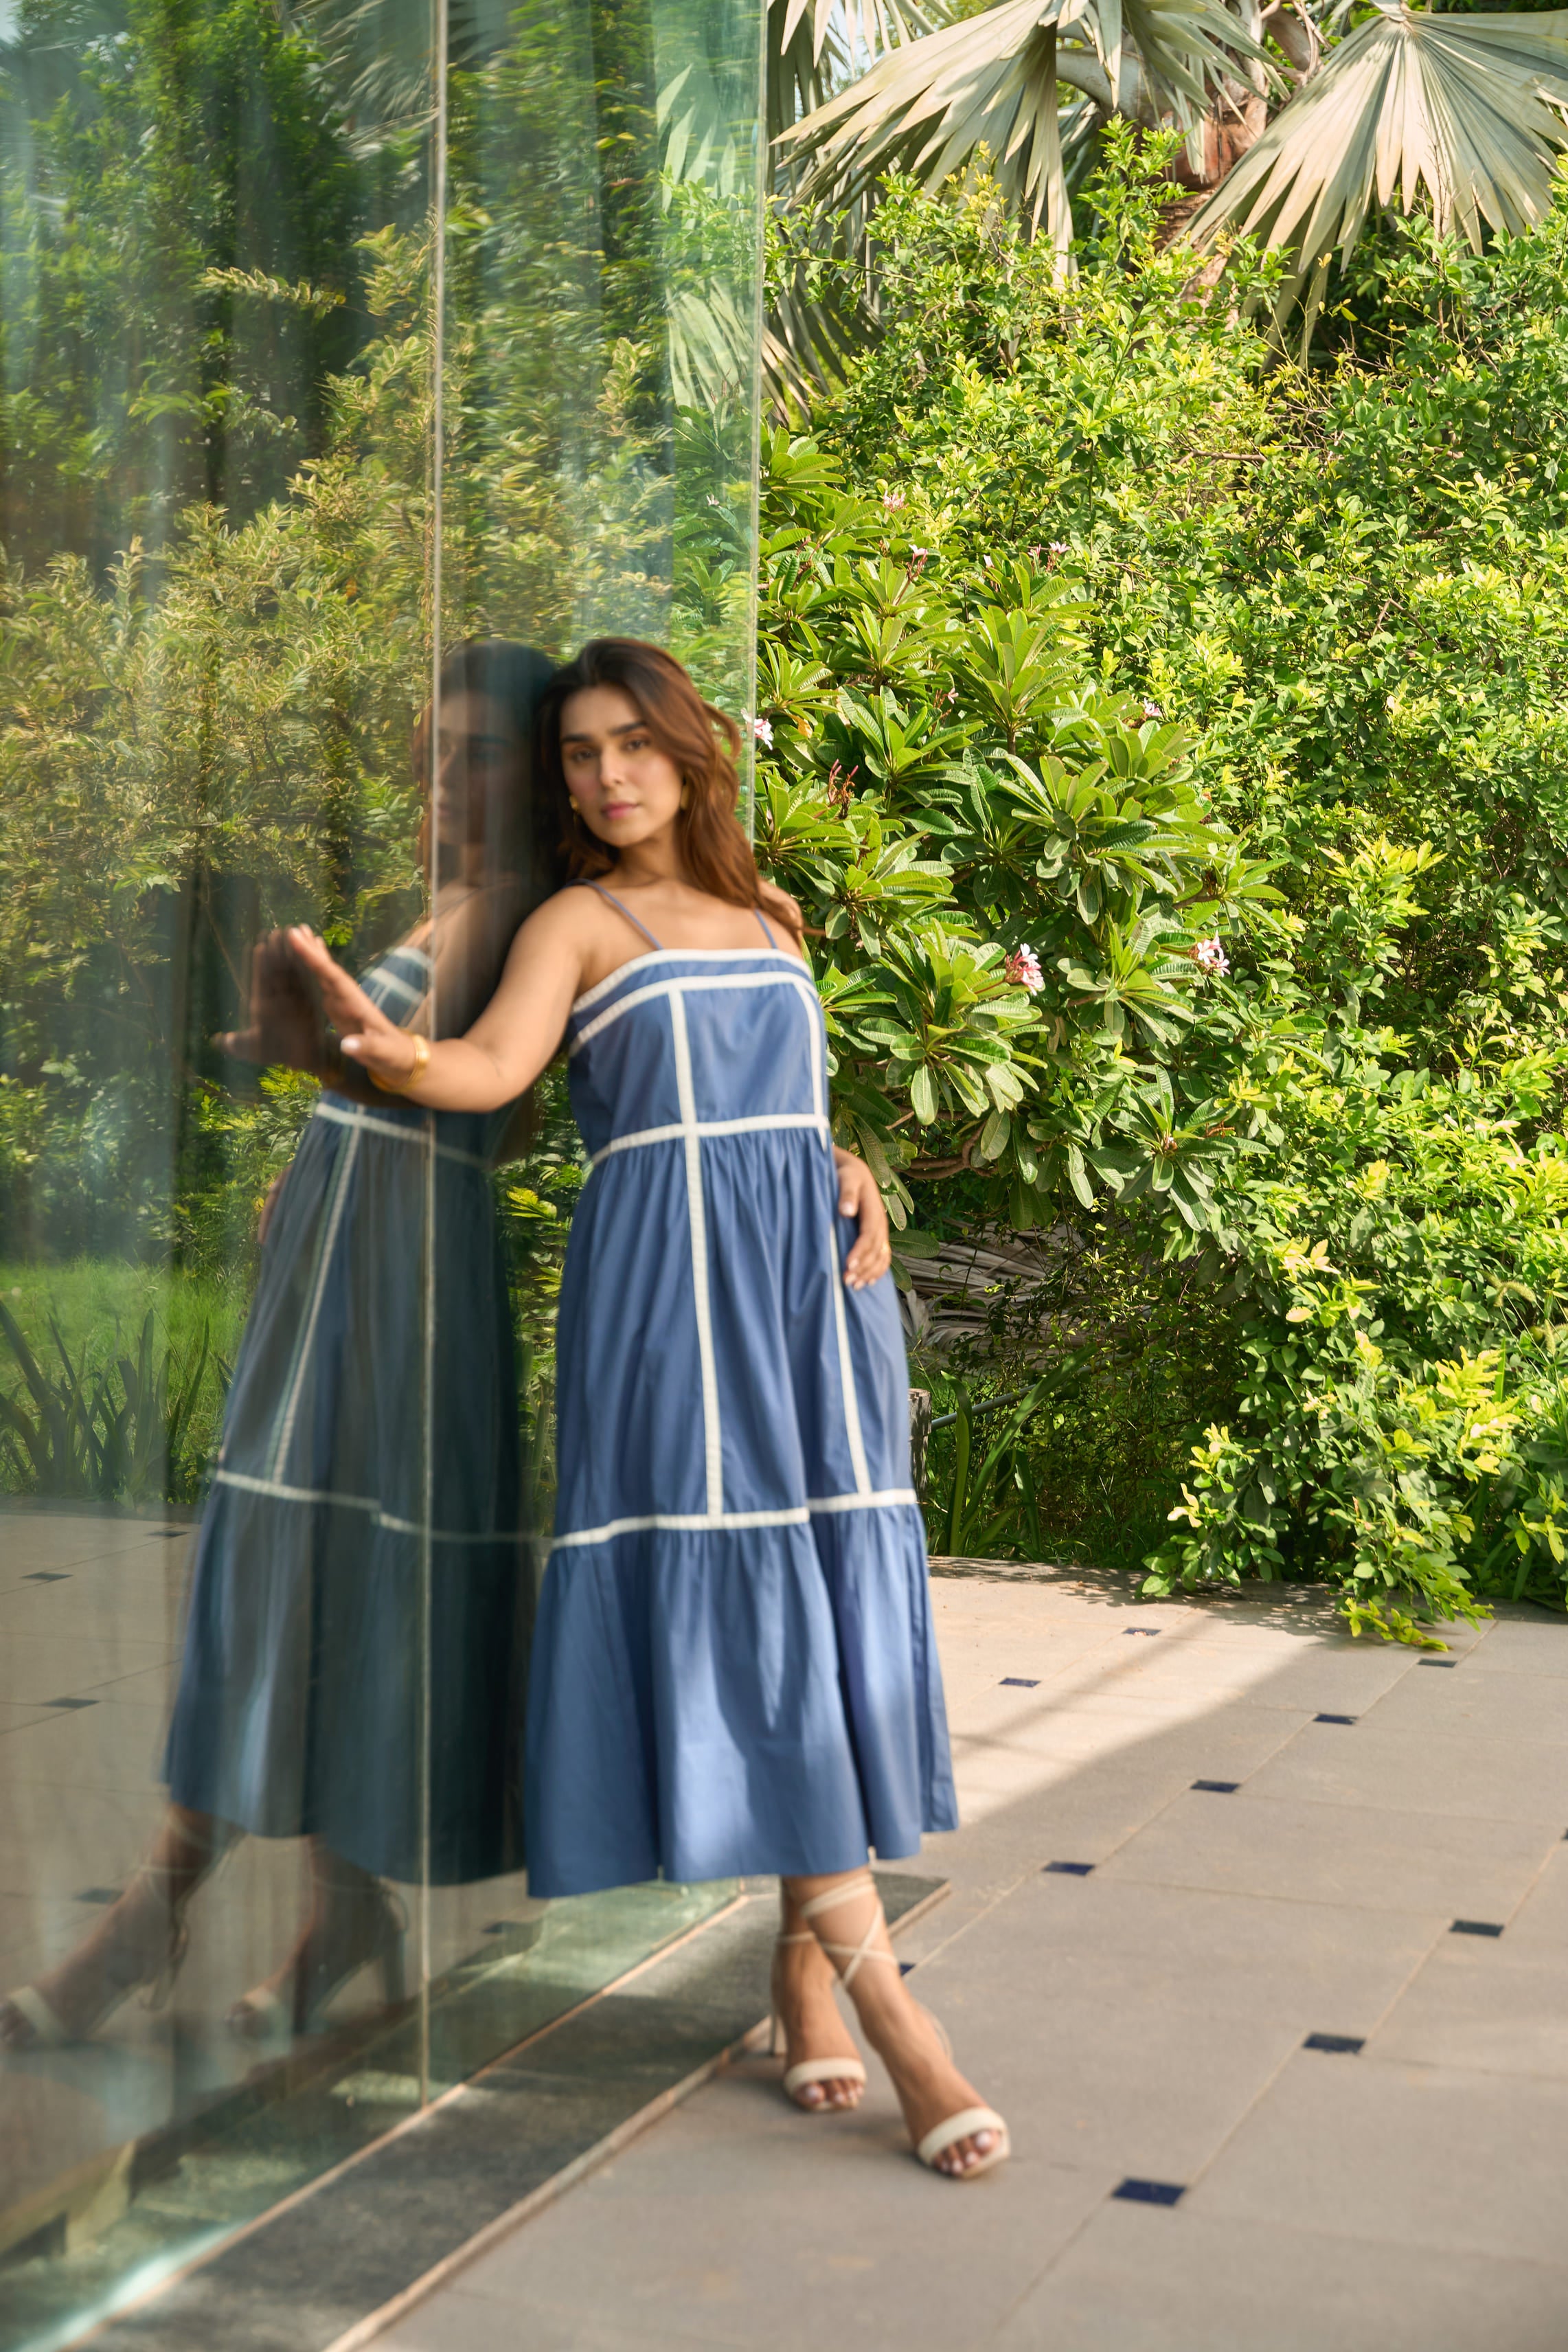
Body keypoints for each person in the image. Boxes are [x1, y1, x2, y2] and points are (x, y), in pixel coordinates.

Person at [284, 637, 1010, 2180]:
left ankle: (798, 1969)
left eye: (630, 745)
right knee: (745, 1628)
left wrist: (853, 1161)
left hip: (810, 1310)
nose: (605, 775)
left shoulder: (769, 917)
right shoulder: (575, 921)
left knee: (812, 1619)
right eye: (574, 755)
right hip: (667, 1317)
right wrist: (380, 1046)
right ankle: (895, 2019)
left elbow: (786, 1098)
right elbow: (485, 1069)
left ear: (687, 754)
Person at [1, 637, 558, 2053]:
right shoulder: (457, 897)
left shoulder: (518, 912)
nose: (441, 773)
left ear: (532, 774)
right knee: (302, 1569)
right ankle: (342, 1911)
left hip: (408, 1270)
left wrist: (320, 1043)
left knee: (315, 1576)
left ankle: (148, 1917)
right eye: (432, 747)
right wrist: (304, 1118)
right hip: (347, 1245)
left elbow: (439, 1082)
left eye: (474, 751)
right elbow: (378, 1078)